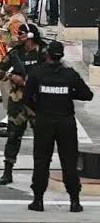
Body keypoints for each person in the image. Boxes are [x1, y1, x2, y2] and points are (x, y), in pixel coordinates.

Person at [24, 41, 93, 213]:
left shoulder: (37, 73)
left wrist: (39, 108)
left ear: (47, 54)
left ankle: (38, 200)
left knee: (41, 160)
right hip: (66, 121)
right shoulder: (70, 74)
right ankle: (74, 201)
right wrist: (69, 94)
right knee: (69, 161)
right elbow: (87, 94)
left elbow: (27, 98)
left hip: (44, 121)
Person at [0, 23, 45, 185]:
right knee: (13, 136)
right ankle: (7, 171)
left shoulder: (44, 52)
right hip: (18, 100)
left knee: (42, 138)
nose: (19, 35)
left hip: (38, 101)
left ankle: (40, 173)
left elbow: (56, 70)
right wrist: (11, 76)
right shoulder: (16, 53)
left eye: (22, 33)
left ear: (30, 35)